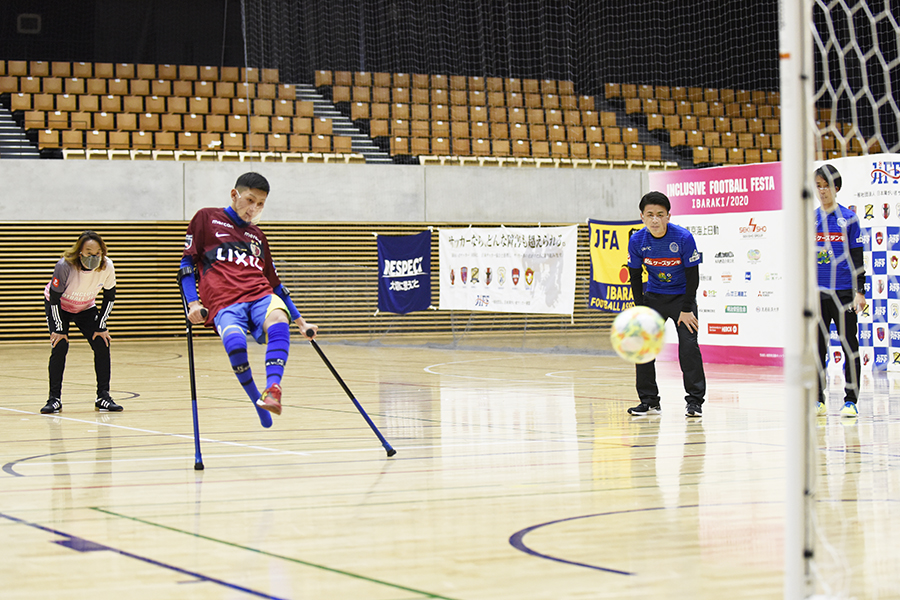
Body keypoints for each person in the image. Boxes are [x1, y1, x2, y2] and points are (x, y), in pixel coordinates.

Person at [179, 172, 317, 427]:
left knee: (278, 318)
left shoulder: (258, 236)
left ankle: (273, 388)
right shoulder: (206, 218)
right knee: (235, 342)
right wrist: (193, 303)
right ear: (235, 195)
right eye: (250, 200)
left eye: (261, 204)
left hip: (259, 294)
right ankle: (257, 398)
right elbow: (187, 264)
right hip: (223, 301)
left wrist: (300, 321)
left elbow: (276, 284)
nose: (254, 209)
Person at [626, 191, 706, 417]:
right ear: (642, 217)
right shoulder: (637, 240)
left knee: (689, 348)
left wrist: (687, 308)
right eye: (649, 214)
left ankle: (695, 402)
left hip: (682, 298)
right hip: (654, 297)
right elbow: (634, 277)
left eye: (660, 214)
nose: (655, 219)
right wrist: (640, 308)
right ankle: (649, 401)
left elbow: (693, 277)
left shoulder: (683, 238)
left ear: (668, 216)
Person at [42, 230, 121, 413]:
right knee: (60, 346)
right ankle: (54, 399)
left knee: (102, 342)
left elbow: (109, 297)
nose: (93, 257)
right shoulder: (64, 266)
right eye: (89, 253)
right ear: (80, 252)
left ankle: (103, 396)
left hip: (85, 307)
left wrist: (101, 325)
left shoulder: (107, 266)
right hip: (60, 306)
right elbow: (53, 299)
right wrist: (59, 330)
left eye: (97, 254)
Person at [814, 164, 866, 418]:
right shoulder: (811, 219)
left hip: (844, 292)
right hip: (817, 294)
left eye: (827, 186)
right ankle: (817, 400)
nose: (823, 191)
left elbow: (857, 256)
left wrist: (861, 291)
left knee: (849, 346)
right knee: (817, 347)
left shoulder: (849, 218)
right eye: (819, 186)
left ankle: (851, 400)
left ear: (837, 188)